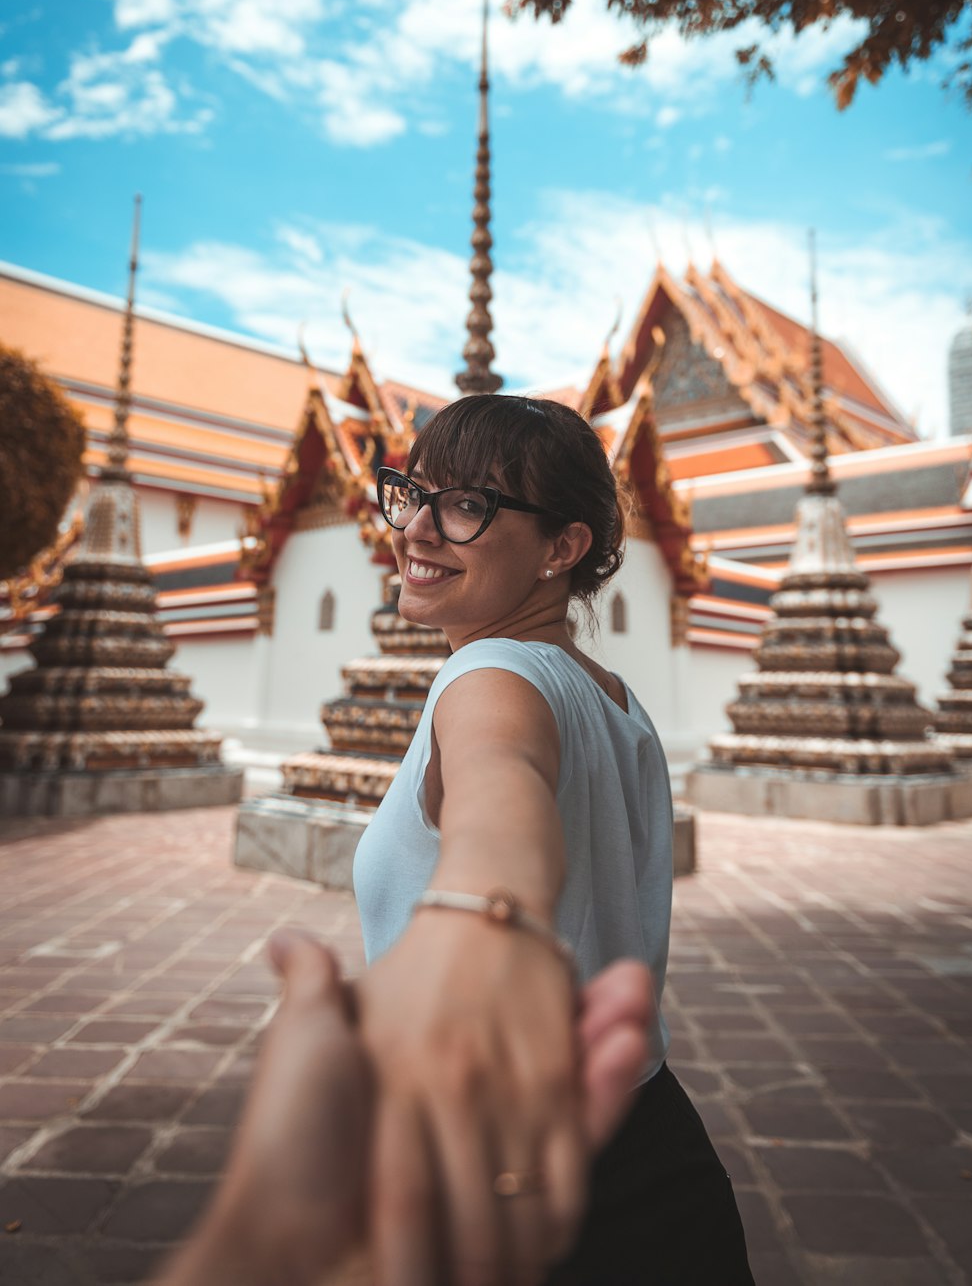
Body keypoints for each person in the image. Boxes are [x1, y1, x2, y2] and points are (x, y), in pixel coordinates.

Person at [353, 395, 755, 1286]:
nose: (417, 528)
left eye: (466, 506)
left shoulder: (487, 678)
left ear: (561, 549)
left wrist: (473, 924)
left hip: (508, 1176)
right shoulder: (614, 698)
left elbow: (502, 793)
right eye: (411, 493)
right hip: (652, 1142)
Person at [153, 930, 656, 1286]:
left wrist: (482, 914)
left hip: (564, 1104)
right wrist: (266, 1249)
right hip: (440, 1136)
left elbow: (506, 779)